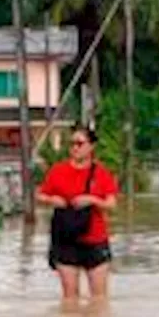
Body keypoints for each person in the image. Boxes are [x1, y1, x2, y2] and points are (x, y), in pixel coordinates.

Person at [36, 126, 119, 300]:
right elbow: (39, 195)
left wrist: (92, 200)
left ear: (91, 146)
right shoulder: (58, 171)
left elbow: (111, 204)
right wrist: (53, 200)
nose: (75, 148)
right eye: (72, 143)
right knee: (70, 298)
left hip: (95, 239)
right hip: (65, 240)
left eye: (80, 143)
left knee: (99, 298)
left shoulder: (102, 174)